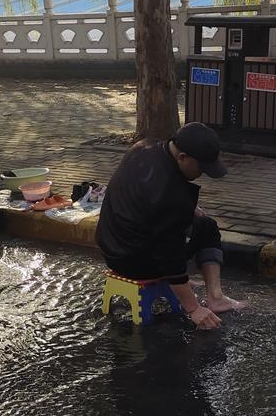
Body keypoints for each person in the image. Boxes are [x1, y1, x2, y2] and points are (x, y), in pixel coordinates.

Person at [96, 123, 247, 330]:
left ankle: (191, 289)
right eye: (201, 168)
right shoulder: (170, 196)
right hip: (136, 262)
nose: (202, 173)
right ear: (182, 157)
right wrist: (194, 308)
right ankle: (216, 298)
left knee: (188, 225)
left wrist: (188, 207)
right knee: (207, 227)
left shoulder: (143, 147)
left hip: (111, 247)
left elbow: (141, 193)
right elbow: (170, 259)